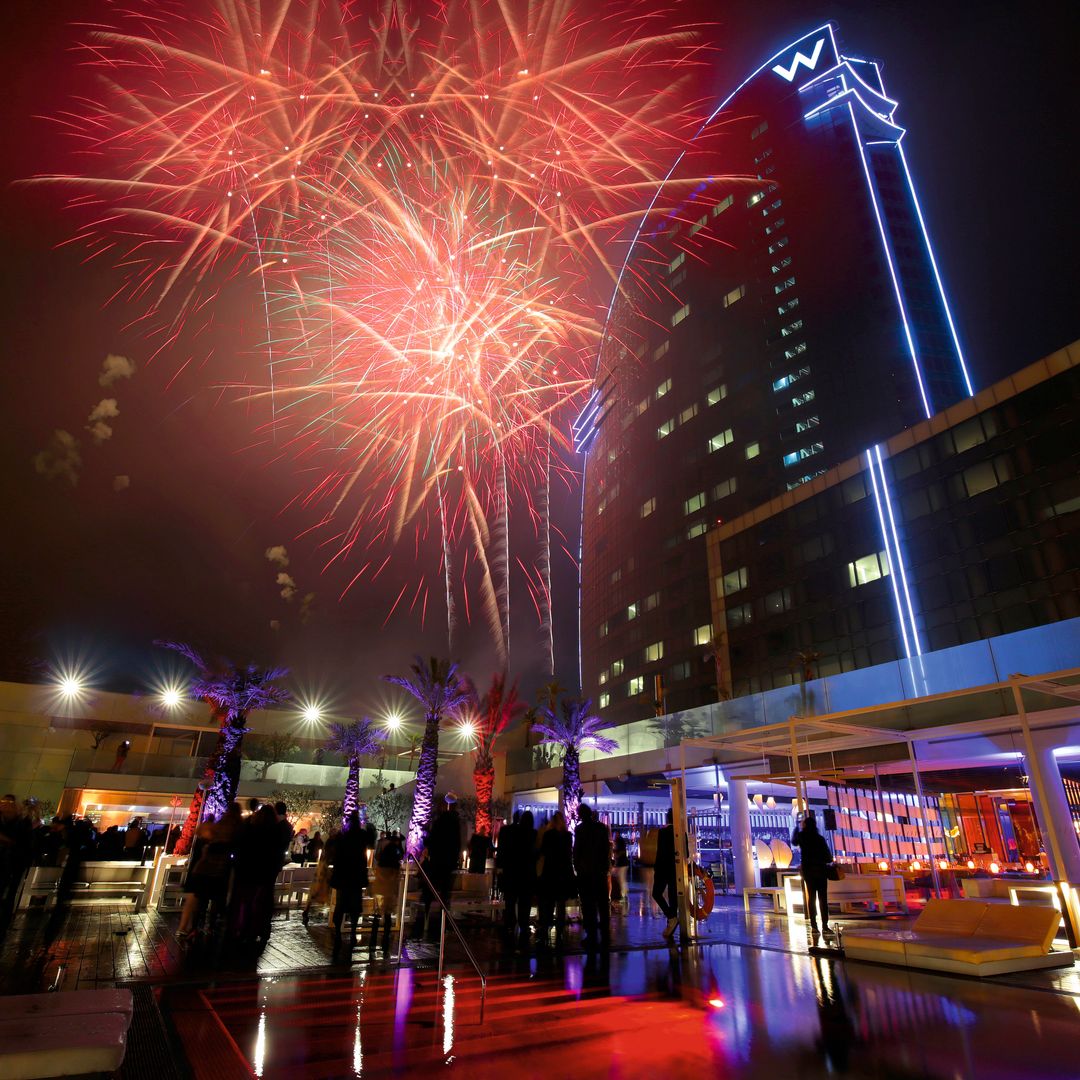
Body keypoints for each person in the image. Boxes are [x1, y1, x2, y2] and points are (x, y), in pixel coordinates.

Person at [177, 805, 240, 942]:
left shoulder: (215, 832)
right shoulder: (234, 832)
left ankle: (194, 928)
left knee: (201, 901)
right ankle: (210, 927)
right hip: (219, 871)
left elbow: (205, 851)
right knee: (216, 901)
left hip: (204, 871)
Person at [329, 812, 376, 958]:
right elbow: (371, 840)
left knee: (341, 904)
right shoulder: (361, 836)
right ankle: (353, 931)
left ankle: (338, 933)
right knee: (355, 905)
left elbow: (336, 855)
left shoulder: (344, 836)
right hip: (356, 875)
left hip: (344, 875)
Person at [421, 795, 462, 934]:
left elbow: (431, 841)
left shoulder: (438, 823)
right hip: (448, 861)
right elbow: (457, 843)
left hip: (437, 860)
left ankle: (427, 919)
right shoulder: (455, 823)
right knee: (445, 892)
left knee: (432, 889)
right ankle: (443, 920)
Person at [574, 805, 612, 950]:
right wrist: (604, 867)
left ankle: (591, 934)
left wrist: (577, 867)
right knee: (602, 904)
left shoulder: (580, 829)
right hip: (599, 872)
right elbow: (605, 849)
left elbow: (577, 851)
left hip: (586, 873)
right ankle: (605, 933)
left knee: (588, 905)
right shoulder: (601, 828)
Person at [536, 811, 575, 948]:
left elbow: (543, 852)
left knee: (549, 904)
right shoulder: (567, 836)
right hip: (563, 873)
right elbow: (569, 855)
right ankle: (560, 933)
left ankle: (545, 932)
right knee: (561, 905)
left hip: (550, 872)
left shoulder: (548, 835)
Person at [793, 809, 833, 936]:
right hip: (820, 870)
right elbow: (828, 857)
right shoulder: (820, 839)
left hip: (808, 871)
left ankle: (814, 925)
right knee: (823, 898)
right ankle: (825, 925)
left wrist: (796, 826)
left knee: (811, 897)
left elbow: (794, 841)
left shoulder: (802, 837)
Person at [371, 829, 404, 948]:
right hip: (389, 890)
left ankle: (373, 939)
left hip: (380, 889)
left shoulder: (382, 862)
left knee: (377, 914)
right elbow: (396, 877)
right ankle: (385, 938)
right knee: (388, 915)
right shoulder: (394, 862)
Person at [653, 808, 678, 939]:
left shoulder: (663, 832)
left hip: (663, 868)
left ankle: (671, 918)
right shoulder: (681, 832)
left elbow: (660, 852)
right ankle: (671, 922)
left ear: (667, 818)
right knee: (673, 896)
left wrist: (656, 868)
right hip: (676, 869)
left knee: (656, 893)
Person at [612, 832, 630, 911]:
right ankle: (623, 894)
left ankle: (624, 894)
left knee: (621, 879)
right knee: (621, 878)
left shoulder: (619, 842)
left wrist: (616, 855)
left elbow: (620, 852)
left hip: (622, 864)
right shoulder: (621, 842)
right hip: (623, 863)